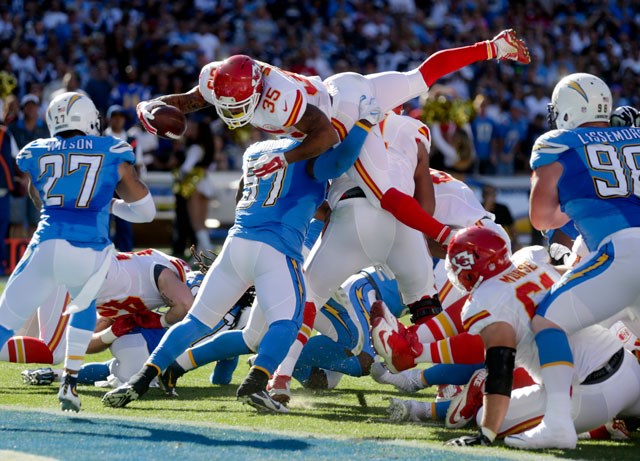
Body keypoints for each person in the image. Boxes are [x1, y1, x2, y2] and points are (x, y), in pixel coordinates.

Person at [101, 100, 379, 413]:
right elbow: (340, 157)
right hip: (276, 249)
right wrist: (366, 121)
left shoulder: (255, 152)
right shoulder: (308, 155)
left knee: (196, 322)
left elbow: (249, 194)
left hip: (237, 244)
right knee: (288, 323)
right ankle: (257, 383)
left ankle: (142, 378)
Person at [137, 30, 530, 249]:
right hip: (338, 86)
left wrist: (286, 160)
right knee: (417, 77)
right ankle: (494, 46)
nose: (232, 112)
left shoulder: (279, 102)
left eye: (240, 105)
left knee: (381, 192)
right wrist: (153, 105)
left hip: (341, 114)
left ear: (257, 88)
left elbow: (323, 136)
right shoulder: (222, 78)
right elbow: (189, 102)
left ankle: (452, 238)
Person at [0, 92, 155, 413]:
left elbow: (37, 197)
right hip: (89, 247)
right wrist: (109, 203)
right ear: (89, 119)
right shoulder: (111, 149)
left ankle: (66, 376)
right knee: (81, 306)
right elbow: (144, 211)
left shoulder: (37, 150)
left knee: (6, 319)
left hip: (46, 242)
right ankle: (69, 381)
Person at [510, 73, 640, 449]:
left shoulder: (557, 142)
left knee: (546, 318)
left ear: (568, 109)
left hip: (621, 251)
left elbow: (541, 217)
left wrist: (579, 203)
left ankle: (557, 424)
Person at [424, 227, 640, 448]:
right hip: (628, 367)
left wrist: (486, 433)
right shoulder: (536, 266)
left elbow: (500, 367)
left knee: (484, 418)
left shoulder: (482, 301)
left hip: (590, 392)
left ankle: (596, 428)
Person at [481, 184, 515, 248]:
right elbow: (480, 224)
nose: (490, 197)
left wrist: (516, 242)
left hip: (501, 239)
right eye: (487, 194)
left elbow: (512, 228)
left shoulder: (503, 209)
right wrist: (487, 207)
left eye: (492, 194)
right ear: (483, 196)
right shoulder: (478, 208)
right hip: (483, 240)